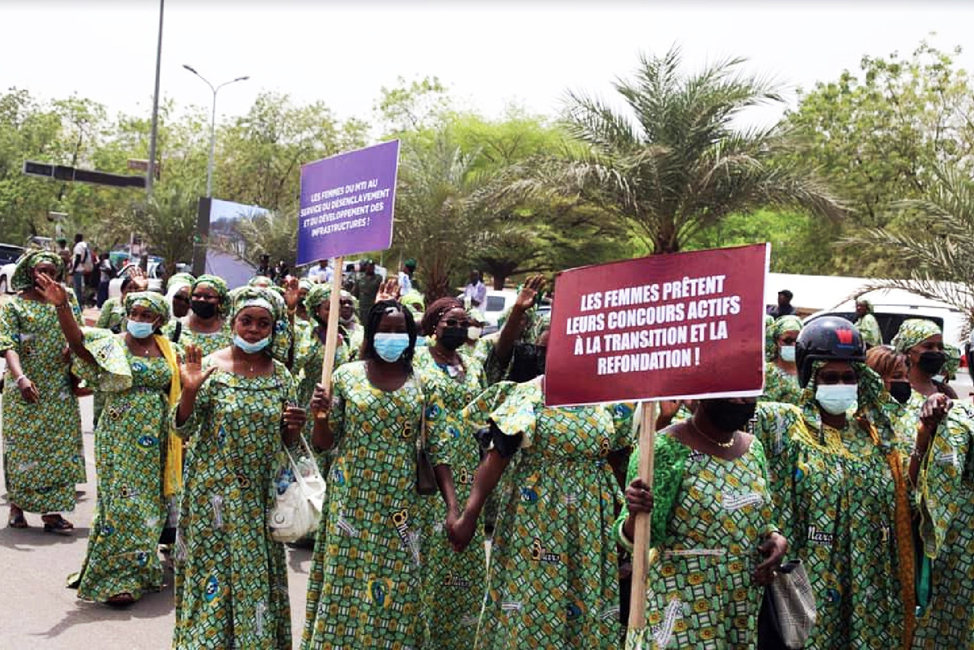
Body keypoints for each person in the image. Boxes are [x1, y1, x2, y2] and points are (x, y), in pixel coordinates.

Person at [448, 312, 633, 649]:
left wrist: (628, 521)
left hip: (592, 520)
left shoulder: (610, 399)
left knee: (585, 595)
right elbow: (497, 458)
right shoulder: (529, 395)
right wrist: (470, 515)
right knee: (534, 599)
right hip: (537, 519)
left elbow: (619, 459)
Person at [751, 317, 916, 648]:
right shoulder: (784, 425)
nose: (840, 384)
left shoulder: (873, 436)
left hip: (868, 580)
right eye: (829, 377)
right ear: (810, 378)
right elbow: (728, 413)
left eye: (848, 377)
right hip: (807, 583)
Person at [302, 300, 458, 649]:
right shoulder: (345, 376)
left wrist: (453, 507)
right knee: (347, 582)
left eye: (400, 330)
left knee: (401, 586)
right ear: (372, 333)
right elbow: (324, 444)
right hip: (352, 502)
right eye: (385, 330)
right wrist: (320, 416)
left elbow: (439, 447)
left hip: (405, 507)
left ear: (411, 335)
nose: (392, 336)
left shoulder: (423, 383)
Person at [171, 286, 306, 648]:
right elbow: (182, 427)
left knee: (253, 580)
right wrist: (189, 390)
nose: (253, 330)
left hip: (259, 499)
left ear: (273, 328)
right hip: (211, 497)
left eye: (263, 323)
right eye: (246, 320)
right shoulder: (210, 368)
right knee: (211, 578)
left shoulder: (282, 377)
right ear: (232, 320)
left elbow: (288, 445)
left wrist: (294, 426)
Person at [38, 280, 180, 605]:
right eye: (136, 312)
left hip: (158, 435)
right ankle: (117, 578)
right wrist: (62, 306)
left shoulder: (169, 349)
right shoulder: (110, 343)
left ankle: (141, 570)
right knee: (123, 504)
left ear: (159, 321)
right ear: (126, 313)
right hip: (118, 433)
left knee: (150, 506)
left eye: (148, 315)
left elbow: (182, 385)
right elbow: (77, 344)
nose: (140, 318)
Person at [613, 397, 787, 649]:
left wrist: (774, 538)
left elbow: (763, 517)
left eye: (747, 394)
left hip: (741, 607)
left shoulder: (754, 448)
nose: (741, 401)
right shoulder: (663, 449)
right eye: (732, 393)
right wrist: (635, 514)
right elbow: (634, 539)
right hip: (683, 610)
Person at [887, 320, 974, 645]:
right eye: (928, 347)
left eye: (940, 347)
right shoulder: (898, 397)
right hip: (907, 504)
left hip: (941, 513)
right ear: (910, 351)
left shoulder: (948, 395)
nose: (936, 353)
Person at [414, 297, 489, 648]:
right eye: (451, 323)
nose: (458, 329)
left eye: (464, 324)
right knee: (428, 559)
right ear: (433, 324)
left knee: (461, 561)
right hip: (428, 476)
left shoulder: (473, 366)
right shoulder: (415, 361)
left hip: (469, 471)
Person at [0, 250, 85, 532]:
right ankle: (17, 507)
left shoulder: (67, 299)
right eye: (40, 269)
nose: (46, 274)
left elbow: (79, 333)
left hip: (59, 387)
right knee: (23, 450)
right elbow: (8, 344)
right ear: (30, 271)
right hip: (25, 386)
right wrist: (21, 378)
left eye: (52, 269)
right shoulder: (14, 305)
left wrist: (70, 347)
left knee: (58, 450)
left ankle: (52, 513)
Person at [180, 274, 232, 357]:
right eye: (197, 295)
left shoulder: (231, 330)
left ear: (220, 300)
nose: (201, 300)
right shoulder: (175, 328)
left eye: (208, 297)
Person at [761, 315, 803, 404]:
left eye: (798, 341)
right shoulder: (766, 372)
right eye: (788, 340)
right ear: (776, 341)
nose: (793, 345)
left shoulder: (809, 372)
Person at [162, 272, 195, 343]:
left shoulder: (196, 327)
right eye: (178, 298)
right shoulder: (156, 321)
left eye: (187, 300)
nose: (182, 303)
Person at [71, 233, 93, 306]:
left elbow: (78, 257)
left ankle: (78, 306)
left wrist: (73, 269)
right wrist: (83, 261)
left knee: (77, 290)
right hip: (82, 269)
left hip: (77, 270)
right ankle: (81, 304)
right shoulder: (85, 246)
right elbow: (85, 255)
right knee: (80, 289)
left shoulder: (78, 246)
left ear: (77, 238)